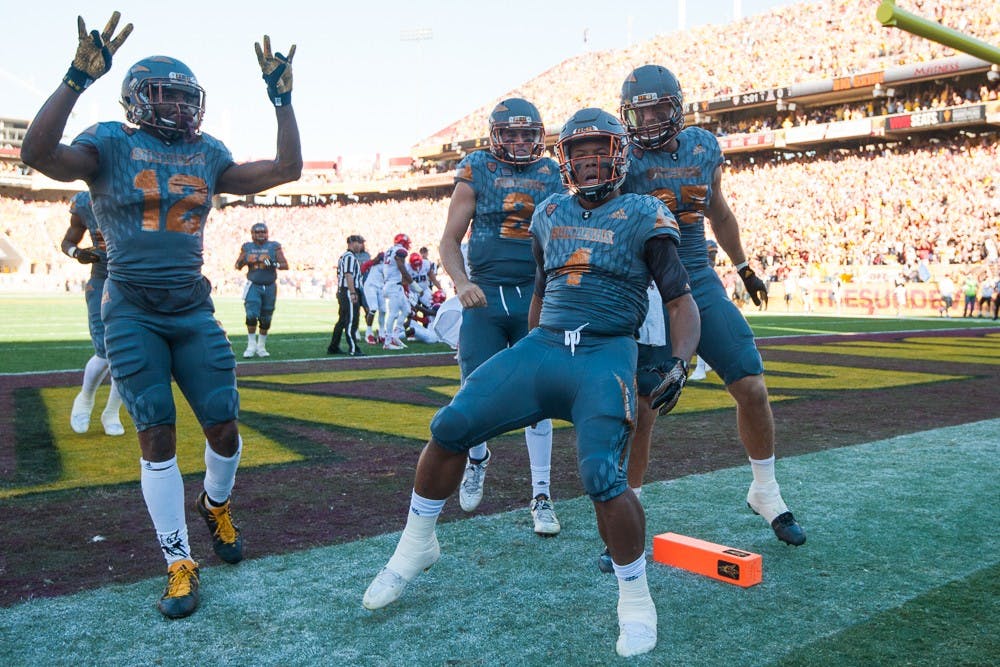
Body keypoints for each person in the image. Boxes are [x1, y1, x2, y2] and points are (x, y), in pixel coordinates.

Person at [363, 108, 700, 658]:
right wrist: (533, 353)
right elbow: (541, 291)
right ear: (563, 159)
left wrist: (680, 362)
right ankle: (415, 545)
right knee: (450, 425)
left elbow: (680, 301)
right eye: (578, 152)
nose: (589, 161)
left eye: (599, 149)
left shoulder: (646, 213)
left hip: (604, 351)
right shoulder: (549, 212)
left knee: (601, 474)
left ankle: (636, 599)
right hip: (545, 344)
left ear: (620, 153)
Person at [20, 12, 302, 619]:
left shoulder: (207, 151)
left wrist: (282, 100)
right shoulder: (109, 141)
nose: (178, 105)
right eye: (164, 94)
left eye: (184, 96)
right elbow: (37, 153)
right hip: (131, 310)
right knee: (156, 432)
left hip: (192, 308)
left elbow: (287, 170)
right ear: (136, 99)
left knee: (224, 427)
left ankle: (215, 505)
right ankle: (178, 560)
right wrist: (75, 78)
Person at [615, 64, 805, 551]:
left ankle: (765, 491)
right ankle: (628, 513)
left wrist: (744, 268)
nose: (650, 120)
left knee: (752, 385)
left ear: (677, 107)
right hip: (650, 286)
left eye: (659, 109)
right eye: (641, 112)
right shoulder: (623, 157)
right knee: (645, 406)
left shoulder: (703, 146)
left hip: (698, 276)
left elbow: (718, 211)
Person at [436, 98, 566, 534]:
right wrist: (461, 282)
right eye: (510, 133)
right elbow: (449, 240)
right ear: (496, 135)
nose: (519, 141)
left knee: (540, 393)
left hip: (535, 294)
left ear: (539, 136)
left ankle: (542, 494)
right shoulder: (477, 167)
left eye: (527, 133)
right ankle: (478, 458)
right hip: (486, 296)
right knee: (474, 389)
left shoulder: (552, 173)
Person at [60, 190, 125, 436]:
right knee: (105, 350)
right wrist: (77, 253)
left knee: (128, 352)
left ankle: (112, 411)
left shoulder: (142, 193)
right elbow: (68, 242)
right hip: (102, 279)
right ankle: (85, 398)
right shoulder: (85, 202)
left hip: (136, 281)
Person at [235, 221, 288, 358]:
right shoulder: (247, 247)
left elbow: (285, 265)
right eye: (257, 232)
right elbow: (237, 265)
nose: (261, 234)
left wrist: (272, 263)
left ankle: (261, 346)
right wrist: (247, 260)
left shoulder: (274, 246)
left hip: (270, 286)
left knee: (266, 318)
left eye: (263, 232)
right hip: (254, 285)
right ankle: (251, 345)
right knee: (251, 315)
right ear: (252, 234)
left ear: (267, 233)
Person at [327, 234, 366, 356]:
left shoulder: (347, 256)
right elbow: (348, 275)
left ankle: (333, 347)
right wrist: (353, 292)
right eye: (359, 243)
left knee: (343, 321)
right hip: (348, 291)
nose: (361, 246)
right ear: (352, 242)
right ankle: (353, 348)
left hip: (344, 291)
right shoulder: (349, 257)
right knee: (351, 320)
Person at [382, 233, 414, 350]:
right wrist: (413, 284)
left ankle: (395, 336)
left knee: (407, 310)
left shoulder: (390, 250)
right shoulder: (400, 251)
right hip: (393, 286)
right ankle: (387, 342)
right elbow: (402, 268)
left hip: (395, 285)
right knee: (394, 314)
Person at [361, 249, 387, 345]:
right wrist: (375, 260)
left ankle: (381, 334)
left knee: (383, 310)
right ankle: (368, 333)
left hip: (380, 287)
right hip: (371, 286)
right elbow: (363, 268)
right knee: (373, 308)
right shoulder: (375, 263)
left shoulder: (390, 265)